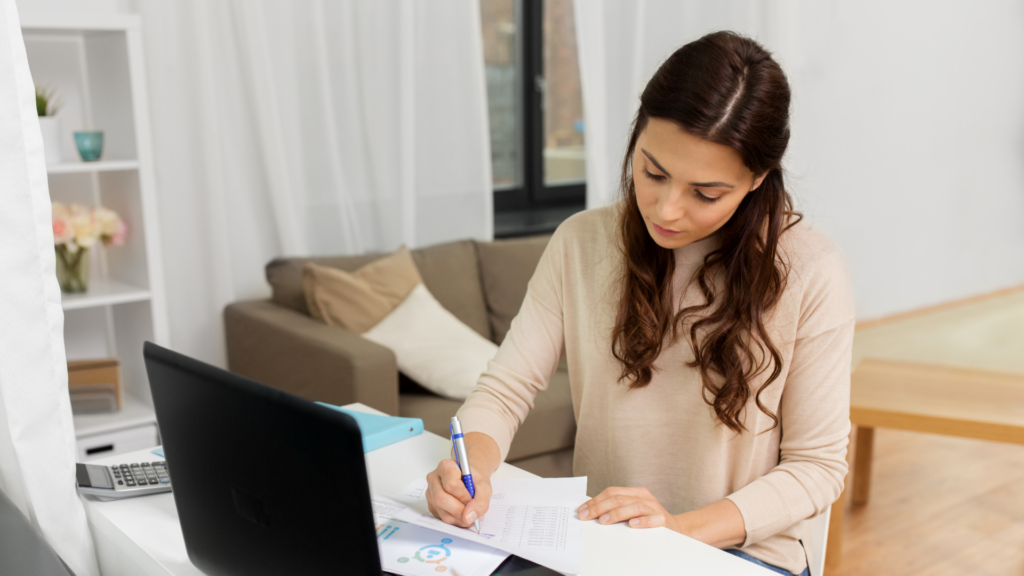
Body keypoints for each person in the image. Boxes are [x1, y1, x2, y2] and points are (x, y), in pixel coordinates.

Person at [425, 30, 854, 576]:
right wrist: (472, 469)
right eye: (653, 172)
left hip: (743, 553)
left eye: (705, 193)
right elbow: (505, 390)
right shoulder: (581, 243)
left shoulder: (811, 272)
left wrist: (676, 528)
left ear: (757, 179)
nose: (667, 210)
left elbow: (816, 468)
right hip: (605, 546)